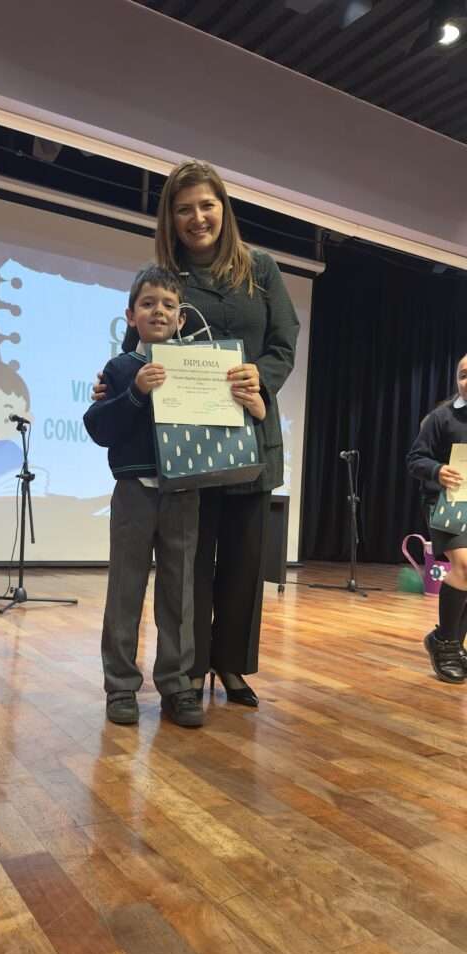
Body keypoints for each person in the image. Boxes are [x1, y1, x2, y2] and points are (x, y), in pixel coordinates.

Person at [95, 161, 299, 705]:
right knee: (190, 565)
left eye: (207, 205)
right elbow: (139, 341)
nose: (197, 217)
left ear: (223, 208)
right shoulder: (166, 276)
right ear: (171, 217)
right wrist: (112, 383)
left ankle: (231, 666)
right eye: (184, 209)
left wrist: (262, 379)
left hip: (251, 428)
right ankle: (189, 669)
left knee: (243, 560)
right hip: (187, 445)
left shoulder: (261, 268)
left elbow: (284, 341)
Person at [85, 264, 239, 728]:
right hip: (134, 492)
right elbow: (99, 428)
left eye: (169, 305)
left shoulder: (199, 367)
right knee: (125, 589)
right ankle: (120, 686)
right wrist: (135, 392)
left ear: (181, 319)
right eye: (148, 303)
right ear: (130, 315)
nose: (159, 311)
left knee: (180, 591)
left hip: (183, 493)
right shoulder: (119, 368)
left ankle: (176, 684)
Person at [407, 353, 467, 683]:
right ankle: (446, 644)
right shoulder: (441, 418)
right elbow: (415, 459)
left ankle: (452, 642)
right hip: (447, 503)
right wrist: (438, 470)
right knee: (465, 565)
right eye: (463, 374)